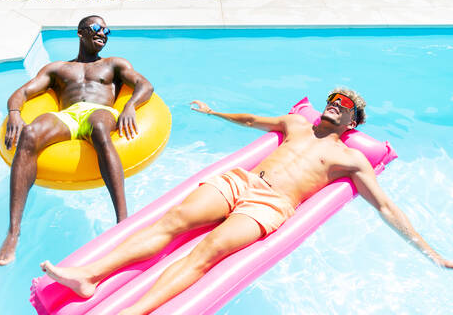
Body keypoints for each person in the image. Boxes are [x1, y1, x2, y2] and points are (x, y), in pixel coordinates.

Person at [39, 88, 452, 313]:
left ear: (353, 122)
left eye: (343, 105)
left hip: (270, 206)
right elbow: (252, 121)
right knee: (172, 221)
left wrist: (430, 251)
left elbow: (384, 206)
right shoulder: (296, 123)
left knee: (206, 252)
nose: (333, 104)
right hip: (242, 182)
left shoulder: (352, 158)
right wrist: (214, 113)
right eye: (332, 98)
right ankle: (89, 275)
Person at [0, 15, 154, 266]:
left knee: (99, 127)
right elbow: (22, 92)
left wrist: (130, 105)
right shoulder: (58, 69)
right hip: (69, 115)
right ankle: (13, 233)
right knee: (30, 133)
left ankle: (123, 223)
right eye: (97, 28)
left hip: (100, 113)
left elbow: (145, 84)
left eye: (107, 30)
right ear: (81, 33)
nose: (104, 33)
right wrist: (14, 113)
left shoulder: (113, 64)